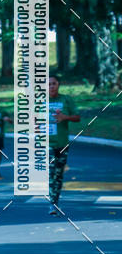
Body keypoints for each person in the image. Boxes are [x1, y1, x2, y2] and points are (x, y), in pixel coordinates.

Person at [48, 74, 80, 215]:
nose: (51, 86)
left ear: (58, 84)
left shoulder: (66, 99)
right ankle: (52, 203)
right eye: (48, 84)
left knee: (59, 174)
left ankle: (55, 201)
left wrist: (64, 117)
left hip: (62, 143)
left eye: (54, 83)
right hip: (46, 144)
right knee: (51, 173)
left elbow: (77, 117)